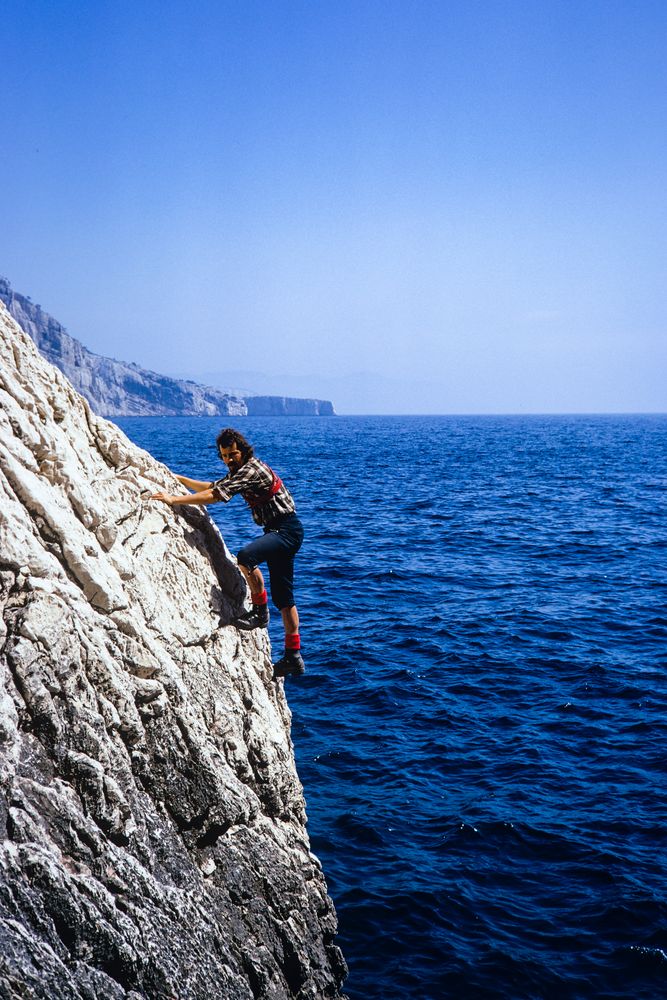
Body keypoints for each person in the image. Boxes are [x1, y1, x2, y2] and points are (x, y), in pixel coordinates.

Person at [149, 428, 305, 678]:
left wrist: (173, 500)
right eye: (224, 456)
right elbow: (215, 486)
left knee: (246, 557)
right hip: (282, 531)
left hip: (286, 531)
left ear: (243, 451)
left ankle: (260, 613)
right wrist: (181, 479)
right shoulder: (240, 472)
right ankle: (293, 656)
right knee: (285, 601)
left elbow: (216, 495)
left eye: (233, 454)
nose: (229, 459)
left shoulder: (252, 470)